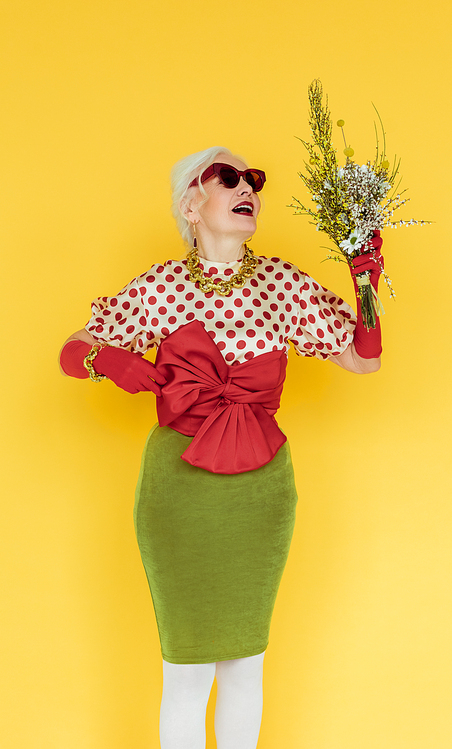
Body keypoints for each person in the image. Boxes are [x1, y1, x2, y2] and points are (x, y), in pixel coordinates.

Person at [59, 146, 383, 749]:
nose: (248, 189)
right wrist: (110, 359)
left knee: (244, 662)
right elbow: (71, 352)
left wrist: (364, 282)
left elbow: (363, 358)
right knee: (184, 667)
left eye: (253, 180)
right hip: (178, 489)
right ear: (191, 202)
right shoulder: (160, 287)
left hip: (260, 493)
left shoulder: (282, 283)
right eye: (228, 178)